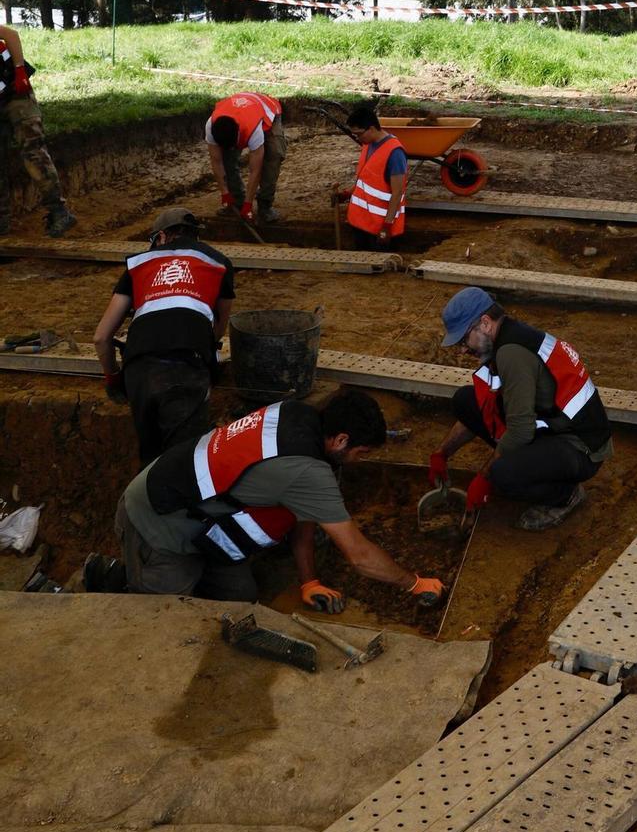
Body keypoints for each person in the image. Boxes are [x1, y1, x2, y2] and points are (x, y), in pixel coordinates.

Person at [105, 386, 444, 606]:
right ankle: (110, 581)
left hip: (199, 513)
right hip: (156, 520)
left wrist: (309, 581)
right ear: (341, 440)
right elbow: (359, 556)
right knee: (163, 617)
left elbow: (304, 515)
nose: (360, 460)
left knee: (240, 598)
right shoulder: (307, 471)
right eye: (362, 452)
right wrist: (412, 583)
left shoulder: (297, 414)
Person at [431, 286, 612, 531]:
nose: (463, 349)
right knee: (465, 400)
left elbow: (521, 431)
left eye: (464, 339)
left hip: (581, 447)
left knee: (503, 475)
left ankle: (565, 496)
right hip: (556, 425)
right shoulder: (506, 336)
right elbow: (490, 407)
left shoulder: (511, 354)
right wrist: (442, 453)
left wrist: (484, 478)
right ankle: (532, 469)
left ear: (485, 323)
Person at [93, 206, 235, 461]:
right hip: (187, 366)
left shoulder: (138, 264)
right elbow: (219, 326)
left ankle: (144, 498)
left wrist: (114, 378)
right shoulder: (218, 262)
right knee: (184, 462)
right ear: (195, 236)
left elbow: (101, 337)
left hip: (139, 366)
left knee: (151, 458)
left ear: (160, 237)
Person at [0, 23, 76, 238]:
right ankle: (2, 226)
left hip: (15, 91)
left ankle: (58, 211)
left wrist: (20, 69)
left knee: (33, 149)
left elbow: (10, 35)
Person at [206, 92, 285, 224]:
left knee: (274, 155)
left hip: (267, 110)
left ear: (238, 134)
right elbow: (216, 161)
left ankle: (265, 207)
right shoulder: (210, 127)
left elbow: (255, 171)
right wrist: (225, 193)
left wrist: (248, 204)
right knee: (227, 160)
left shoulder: (253, 130)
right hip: (242, 111)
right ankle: (236, 202)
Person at [344, 101, 407, 250]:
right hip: (361, 223)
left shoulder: (395, 153)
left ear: (371, 129)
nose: (358, 138)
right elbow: (366, 180)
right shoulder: (368, 145)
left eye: (359, 134)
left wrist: (387, 226)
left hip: (379, 228)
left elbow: (397, 193)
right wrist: (347, 194)